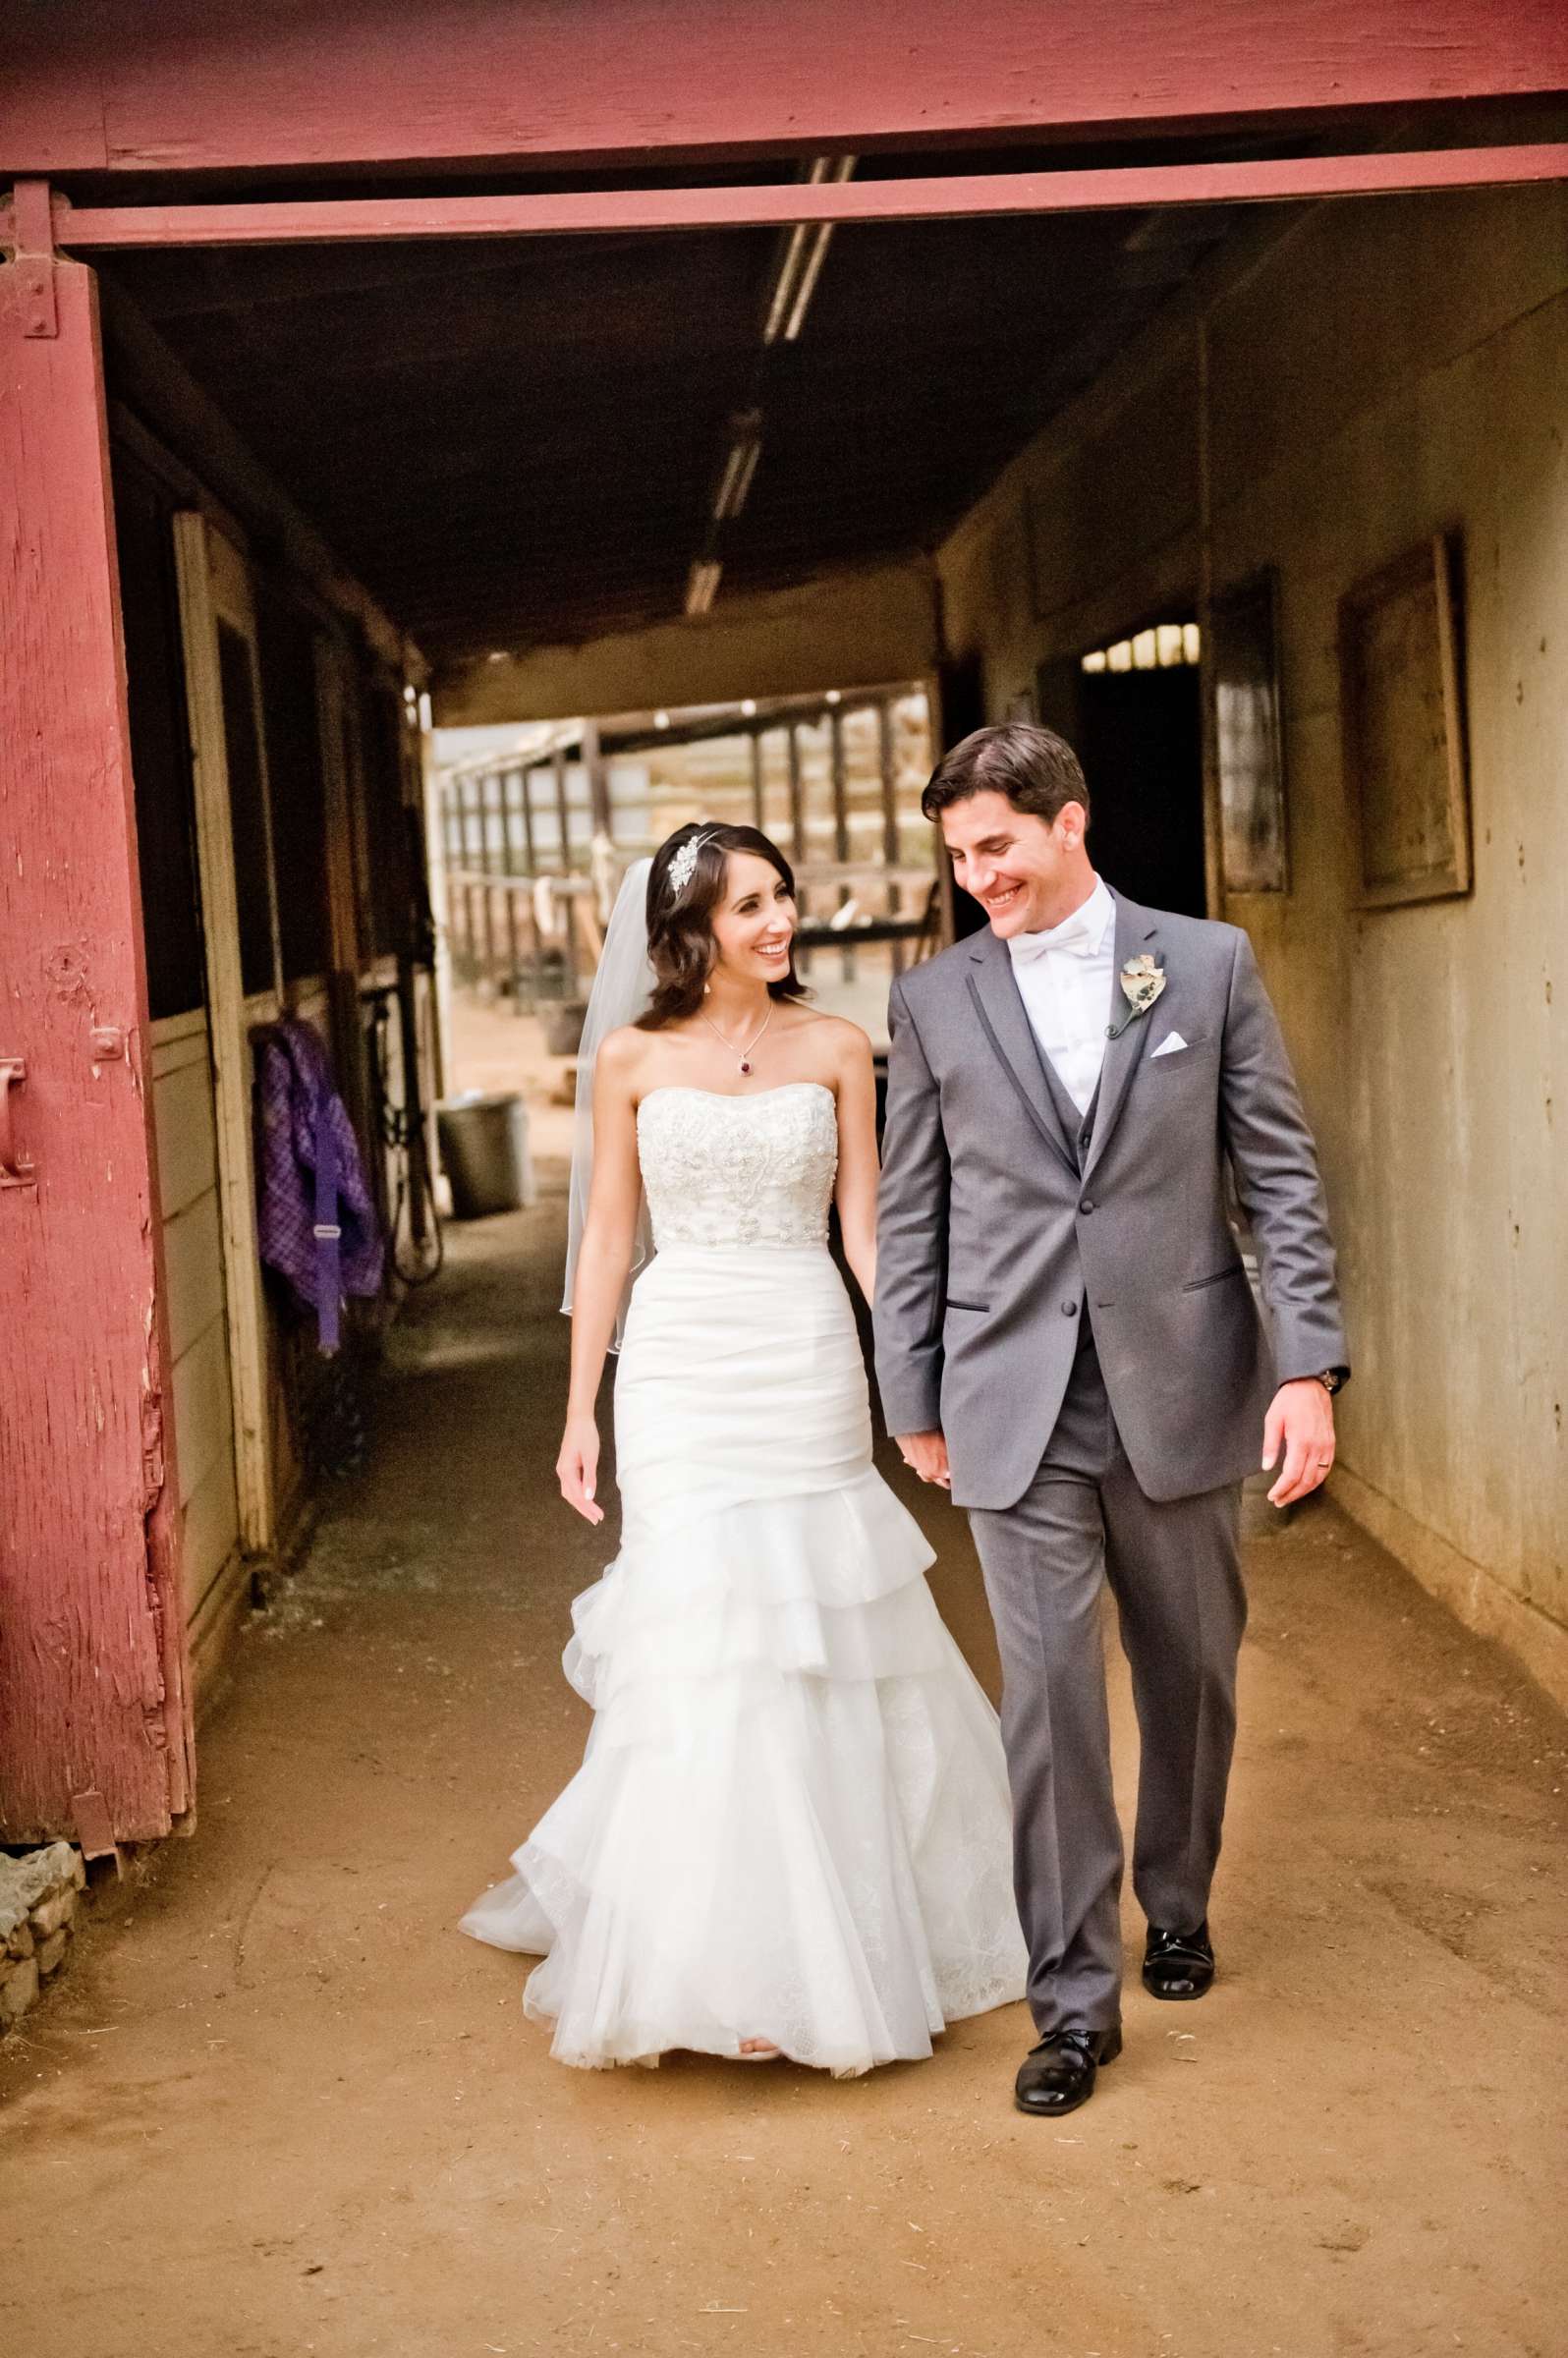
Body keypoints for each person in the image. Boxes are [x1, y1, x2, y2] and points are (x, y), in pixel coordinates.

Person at [461, 821, 1026, 2074]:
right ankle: (710, 1959)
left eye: (783, 897)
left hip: (804, 1351)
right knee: (704, 1638)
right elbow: (608, 1240)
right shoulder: (627, 1057)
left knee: (816, 1628)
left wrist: (914, 1380)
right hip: (678, 1367)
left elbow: (868, 1231)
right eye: (749, 905)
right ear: (691, 930)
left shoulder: (835, 1046)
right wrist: (578, 1411)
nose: (780, 922)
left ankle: (839, 1941)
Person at [873, 724, 1348, 2120]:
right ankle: (1072, 2006)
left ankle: (1180, 1895)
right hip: (1009, 1397)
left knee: (1193, 1666)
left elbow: (1280, 1174)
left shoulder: (1204, 964)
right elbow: (915, 1212)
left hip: (1184, 1377)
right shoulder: (932, 999)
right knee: (1051, 1704)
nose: (978, 880)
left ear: (1069, 821)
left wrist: (1306, 1365)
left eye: (998, 848)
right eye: (959, 857)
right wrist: (912, 1394)